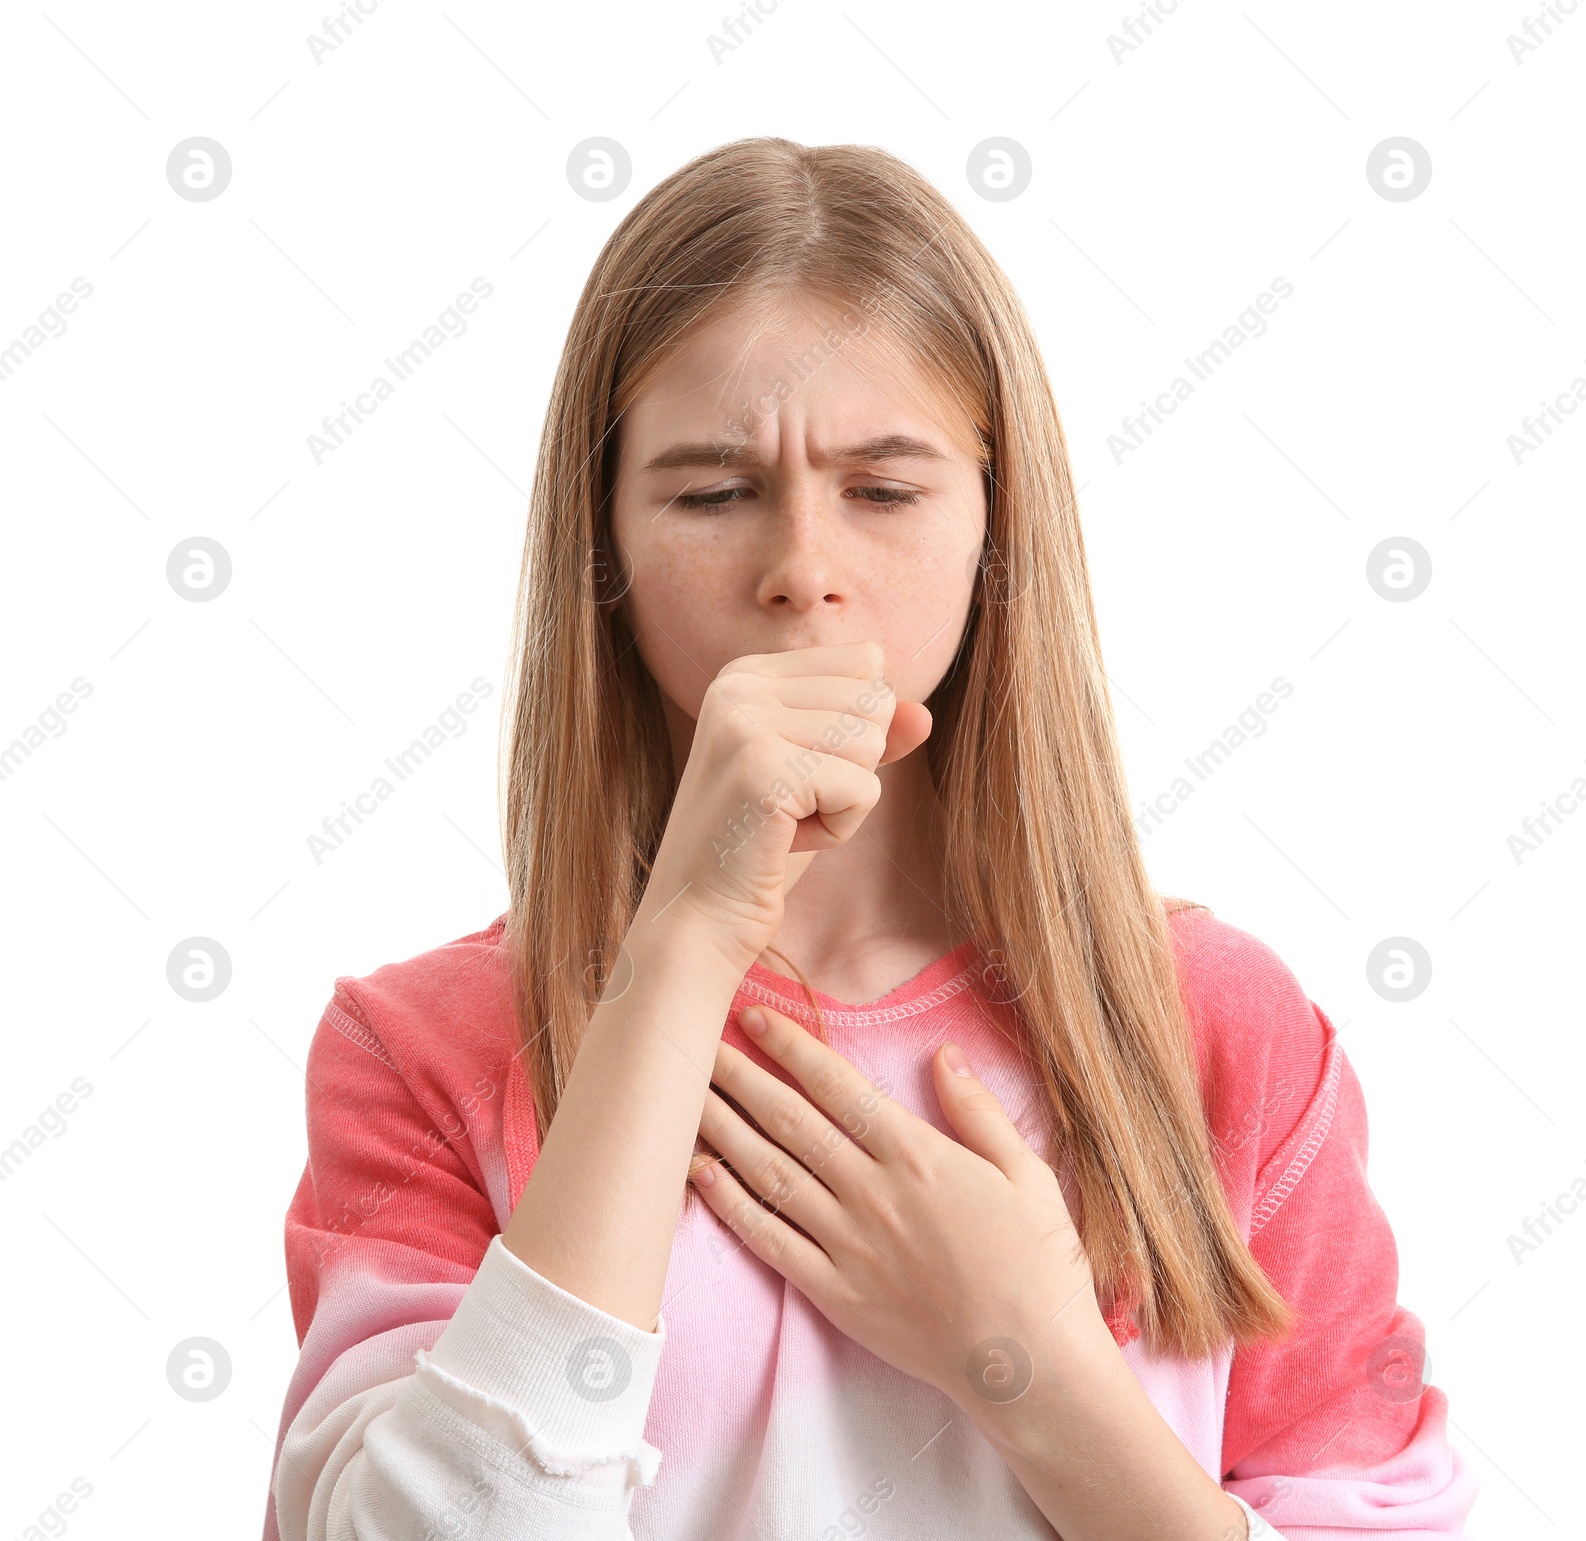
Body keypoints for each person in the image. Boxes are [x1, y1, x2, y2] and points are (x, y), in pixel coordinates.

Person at [262, 136, 1478, 1541]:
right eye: (710, 493)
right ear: (599, 549)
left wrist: (1028, 1359)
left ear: (995, 530)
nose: (804, 572)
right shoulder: (422, 1052)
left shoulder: (1220, 1027)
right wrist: (686, 945)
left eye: (885, 490)